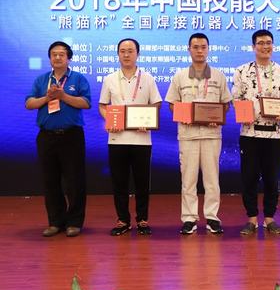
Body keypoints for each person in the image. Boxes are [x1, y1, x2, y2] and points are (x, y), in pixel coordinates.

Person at [165, 33, 232, 235]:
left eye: (203, 47)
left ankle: (212, 217)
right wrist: (182, 115)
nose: (200, 51)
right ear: (189, 50)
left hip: (212, 134)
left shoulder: (218, 76)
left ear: (208, 49)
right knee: (188, 179)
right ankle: (189, 218)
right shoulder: (179, 76)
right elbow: (172, 103)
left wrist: (217, 117)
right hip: (188, 135)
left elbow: (225, 103)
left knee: (212, 180)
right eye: (195, 47)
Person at [25, 41, 91, 237]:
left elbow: (86, 103)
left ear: (68, 58)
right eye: (54, 54)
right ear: (50, 59)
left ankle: (74, 222)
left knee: (74, 181)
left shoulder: (78, 79)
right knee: (50, 181)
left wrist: (62, 96)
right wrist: (47, 98)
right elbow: (29, 103)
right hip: (46, 137)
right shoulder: (41, 80)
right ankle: (55, 222)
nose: (57, 57)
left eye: (62, 54)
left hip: (71, 136)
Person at [99, 38, 162, 236]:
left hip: (141, 139)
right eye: (122, 51)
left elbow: (156, 103)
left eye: (130, 51)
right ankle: (123, 220)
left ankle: (142, 219)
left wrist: (148, 120)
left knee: (142, 182)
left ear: (138, 54)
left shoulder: (148, 78)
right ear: (118, 54)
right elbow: (103, 105)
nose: (126, 54)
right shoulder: (109, 79)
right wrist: (110, 119)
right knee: (119, 182)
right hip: (116, 139)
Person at [232, 30, 280, 235]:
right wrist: (244, 114)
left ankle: (269, 218)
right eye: (261, 43)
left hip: (275, 135)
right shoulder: (242, 71)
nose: (265, 46)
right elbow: (236, 99)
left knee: (272, 178)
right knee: (249, 177)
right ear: (253, 47)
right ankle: (251, 219)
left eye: (268, 43)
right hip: (250, 134)